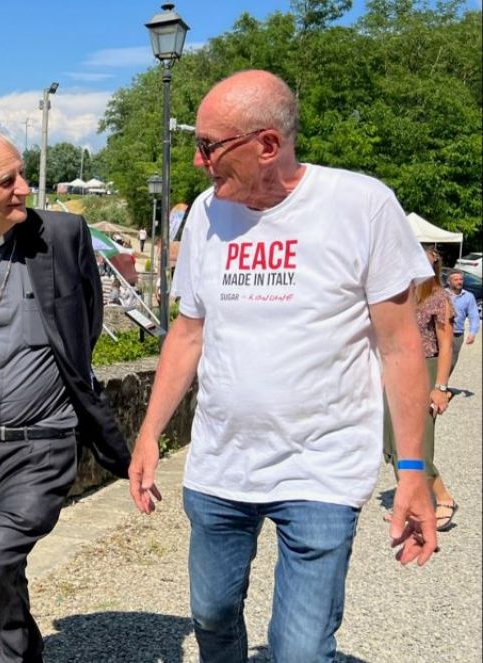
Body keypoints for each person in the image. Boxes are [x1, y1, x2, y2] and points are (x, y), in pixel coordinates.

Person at [127, 70, 438, 663]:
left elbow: (400, 346)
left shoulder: (361, 205)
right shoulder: (205, 216)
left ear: (267, 145)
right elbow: (188, 334)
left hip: (322, 469)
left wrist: (413, 471)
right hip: (222, 465)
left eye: (210, 146)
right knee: (212, 617)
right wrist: (148, 435)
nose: (198, 161)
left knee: (299, 650)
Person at [0, 129, 130, 663]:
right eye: (7, 180)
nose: (24, 188)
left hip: (46, 443)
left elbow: (86, 322)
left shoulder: (62, 236)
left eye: (22, 175)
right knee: (3, 572)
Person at [384, 247, 458, 530]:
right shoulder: (399, 297)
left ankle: (443, 499)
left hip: (425, 370)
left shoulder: (439, 298)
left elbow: (446, 345)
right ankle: (411, 505)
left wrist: (440, 387)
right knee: (393, 441)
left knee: (419, 444)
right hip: (396, 370)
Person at [445, 269, 479, 372]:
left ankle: (443, 385)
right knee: (437, 360)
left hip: (457, 334)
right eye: (456, 279)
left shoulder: (469, 297)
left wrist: (472, 333)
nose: (459, 282)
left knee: (452, 362)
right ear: (449, 282)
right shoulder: (441, 294)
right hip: (441, 332)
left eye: (461, 279)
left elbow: (474, 316)